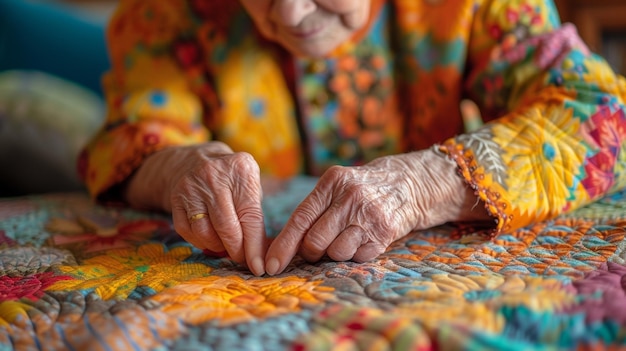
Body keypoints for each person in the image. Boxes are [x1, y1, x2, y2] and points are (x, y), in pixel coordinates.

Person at [79, 0, 626, 277]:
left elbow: (605, 115)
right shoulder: (165, 12)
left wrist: (424, 184)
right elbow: (128, 139)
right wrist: (178, 167)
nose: (291, 14)